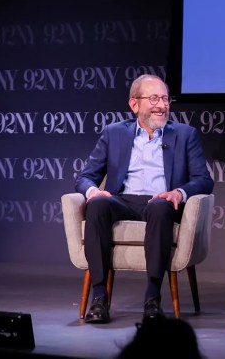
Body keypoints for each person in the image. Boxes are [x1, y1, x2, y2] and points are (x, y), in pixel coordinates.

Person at [75, 74, 214, 324]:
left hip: (159, 201)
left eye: (164, 98)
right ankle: (99, 297)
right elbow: (86, 176)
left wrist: (178, 193)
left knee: (161, 208)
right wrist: (93, 191)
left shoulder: (185, 135)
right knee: (96, 205)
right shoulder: (114, 133)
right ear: (134, 104)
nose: (162, 105)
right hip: (123, 200)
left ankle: (152, 297)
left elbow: (204, 179)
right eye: (154, 98)